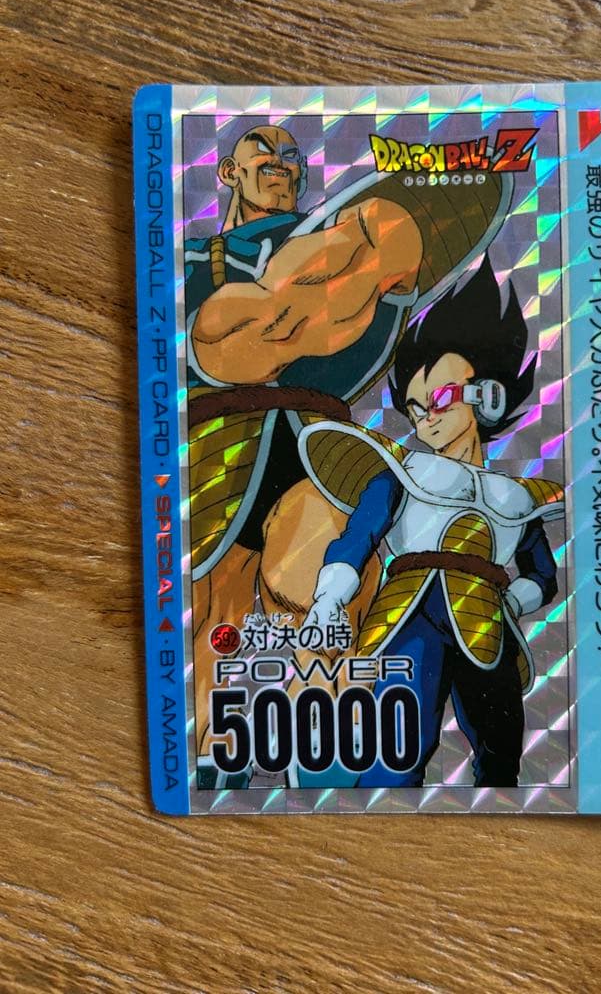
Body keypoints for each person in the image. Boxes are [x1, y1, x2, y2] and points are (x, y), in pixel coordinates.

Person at [186, 123, 515, 786]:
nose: (281, 162)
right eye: (262, 151)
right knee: (218, 618)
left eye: (291, 156)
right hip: (216, 447)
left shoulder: (360, 264)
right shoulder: (195, 261)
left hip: (317, 444)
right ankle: (216, 764)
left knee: (323, 594)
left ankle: (323, 768)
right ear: (228, 172)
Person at [299, 257, 564, 787]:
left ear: (488, 395)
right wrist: (329, 598)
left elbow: (542, 573)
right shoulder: (403, 471)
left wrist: (513, 602)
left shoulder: (516, 496)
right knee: (398, 747)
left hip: (487, 623)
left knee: (501, 748)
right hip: (410, 615)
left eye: (440, 398)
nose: (426, 418)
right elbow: (359, 537)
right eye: (416, 407)